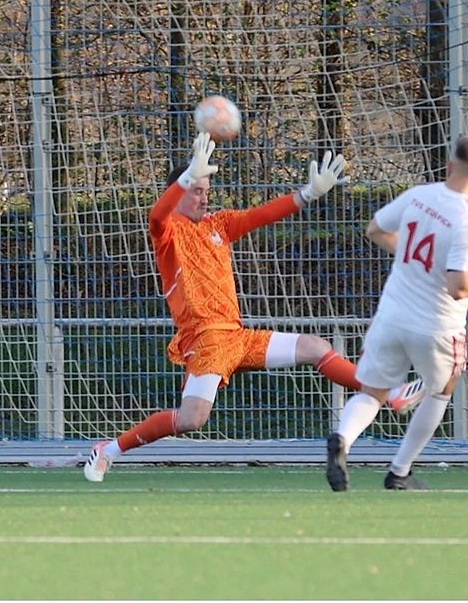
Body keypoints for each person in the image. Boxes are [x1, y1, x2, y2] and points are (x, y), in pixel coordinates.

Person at [84, 132, 416, 481]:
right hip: (206, 340)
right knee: (191, 420)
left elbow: (261, 215)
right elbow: (156, 215)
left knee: (316, 347)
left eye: (206, 190)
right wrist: (185, 179)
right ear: (179, 191)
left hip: (238, 336)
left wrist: (308, 194)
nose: (203, 197)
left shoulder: (219, 224)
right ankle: (109, 450)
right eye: (196, 190)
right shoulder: (168, 232)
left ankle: (388, 392)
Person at [325, 137, 468, 491]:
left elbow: (375, 229)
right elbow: (459, 287)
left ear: (449, 165)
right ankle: (399, 472)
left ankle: (343, 438)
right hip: (436, 324)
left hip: (391, 313)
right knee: (444, 387)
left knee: (372, 391)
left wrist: (412, 257)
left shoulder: (418, 195)